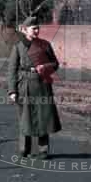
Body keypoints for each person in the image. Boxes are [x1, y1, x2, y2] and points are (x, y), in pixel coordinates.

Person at [7, 16, 62, 159]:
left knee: (44, 117)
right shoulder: (18, 46)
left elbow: (55, 64)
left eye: (38, 28)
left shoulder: (45, 45)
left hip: (42, 84)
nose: (37, 31)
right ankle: (24, 149)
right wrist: (12, 90)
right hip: (24, 86)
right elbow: (12, 70)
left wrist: (45, 67)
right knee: (25, 118)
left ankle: (43, 150)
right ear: (25, 30)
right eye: (34, 28)